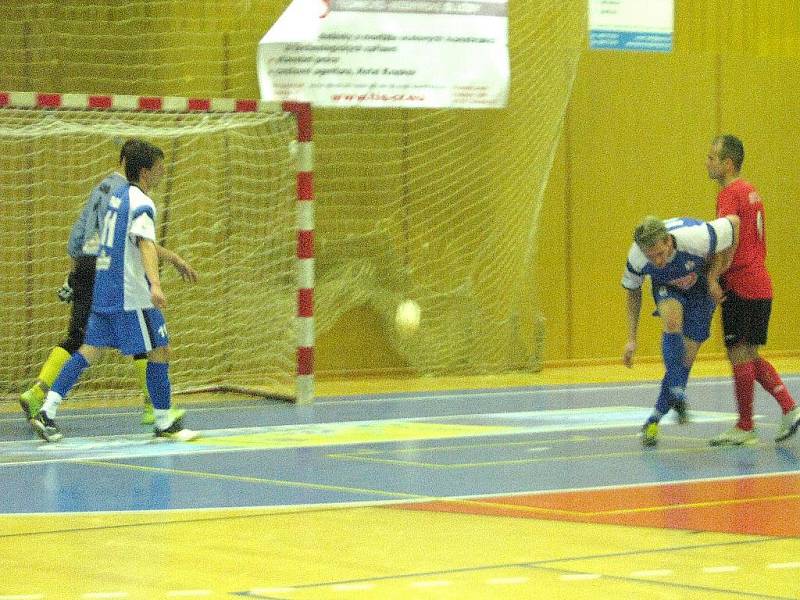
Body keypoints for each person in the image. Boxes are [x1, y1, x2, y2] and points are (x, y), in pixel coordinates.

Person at [19, 139, 197, 426]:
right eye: (159, 168)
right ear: (145, 171)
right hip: (130, 293)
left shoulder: (117, 197)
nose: (162, 173)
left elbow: (119, 241)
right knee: (159, 348)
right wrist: (155, 284)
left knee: (87, 350)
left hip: (104, 288)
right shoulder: (141, 201)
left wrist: (173, 259)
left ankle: (47, 410)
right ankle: (163, 418)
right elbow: (144, 244)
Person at [705, 134, 800, 445]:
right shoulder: (751, 191)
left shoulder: (730, 194)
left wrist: (713, 276)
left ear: (727, 164)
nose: (708, 163)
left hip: (742, 282)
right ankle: (788, 407)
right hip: (759, 281)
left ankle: (745, 427)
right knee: (746, 354)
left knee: (739, 353)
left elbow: (727, 240)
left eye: (712, 158)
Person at [622, 214, 739, 446]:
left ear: (668, 241)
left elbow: (734, 223)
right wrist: (631, 338)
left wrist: (716, 276)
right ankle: (677, 391)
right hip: (668, 286)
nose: (657, 261)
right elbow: (633, 293)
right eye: (650, 256)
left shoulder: (697, 238)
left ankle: (654, 418)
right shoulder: (636, 258)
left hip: (701, 288)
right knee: (672, 322)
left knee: (686, 358)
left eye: (660, 253)